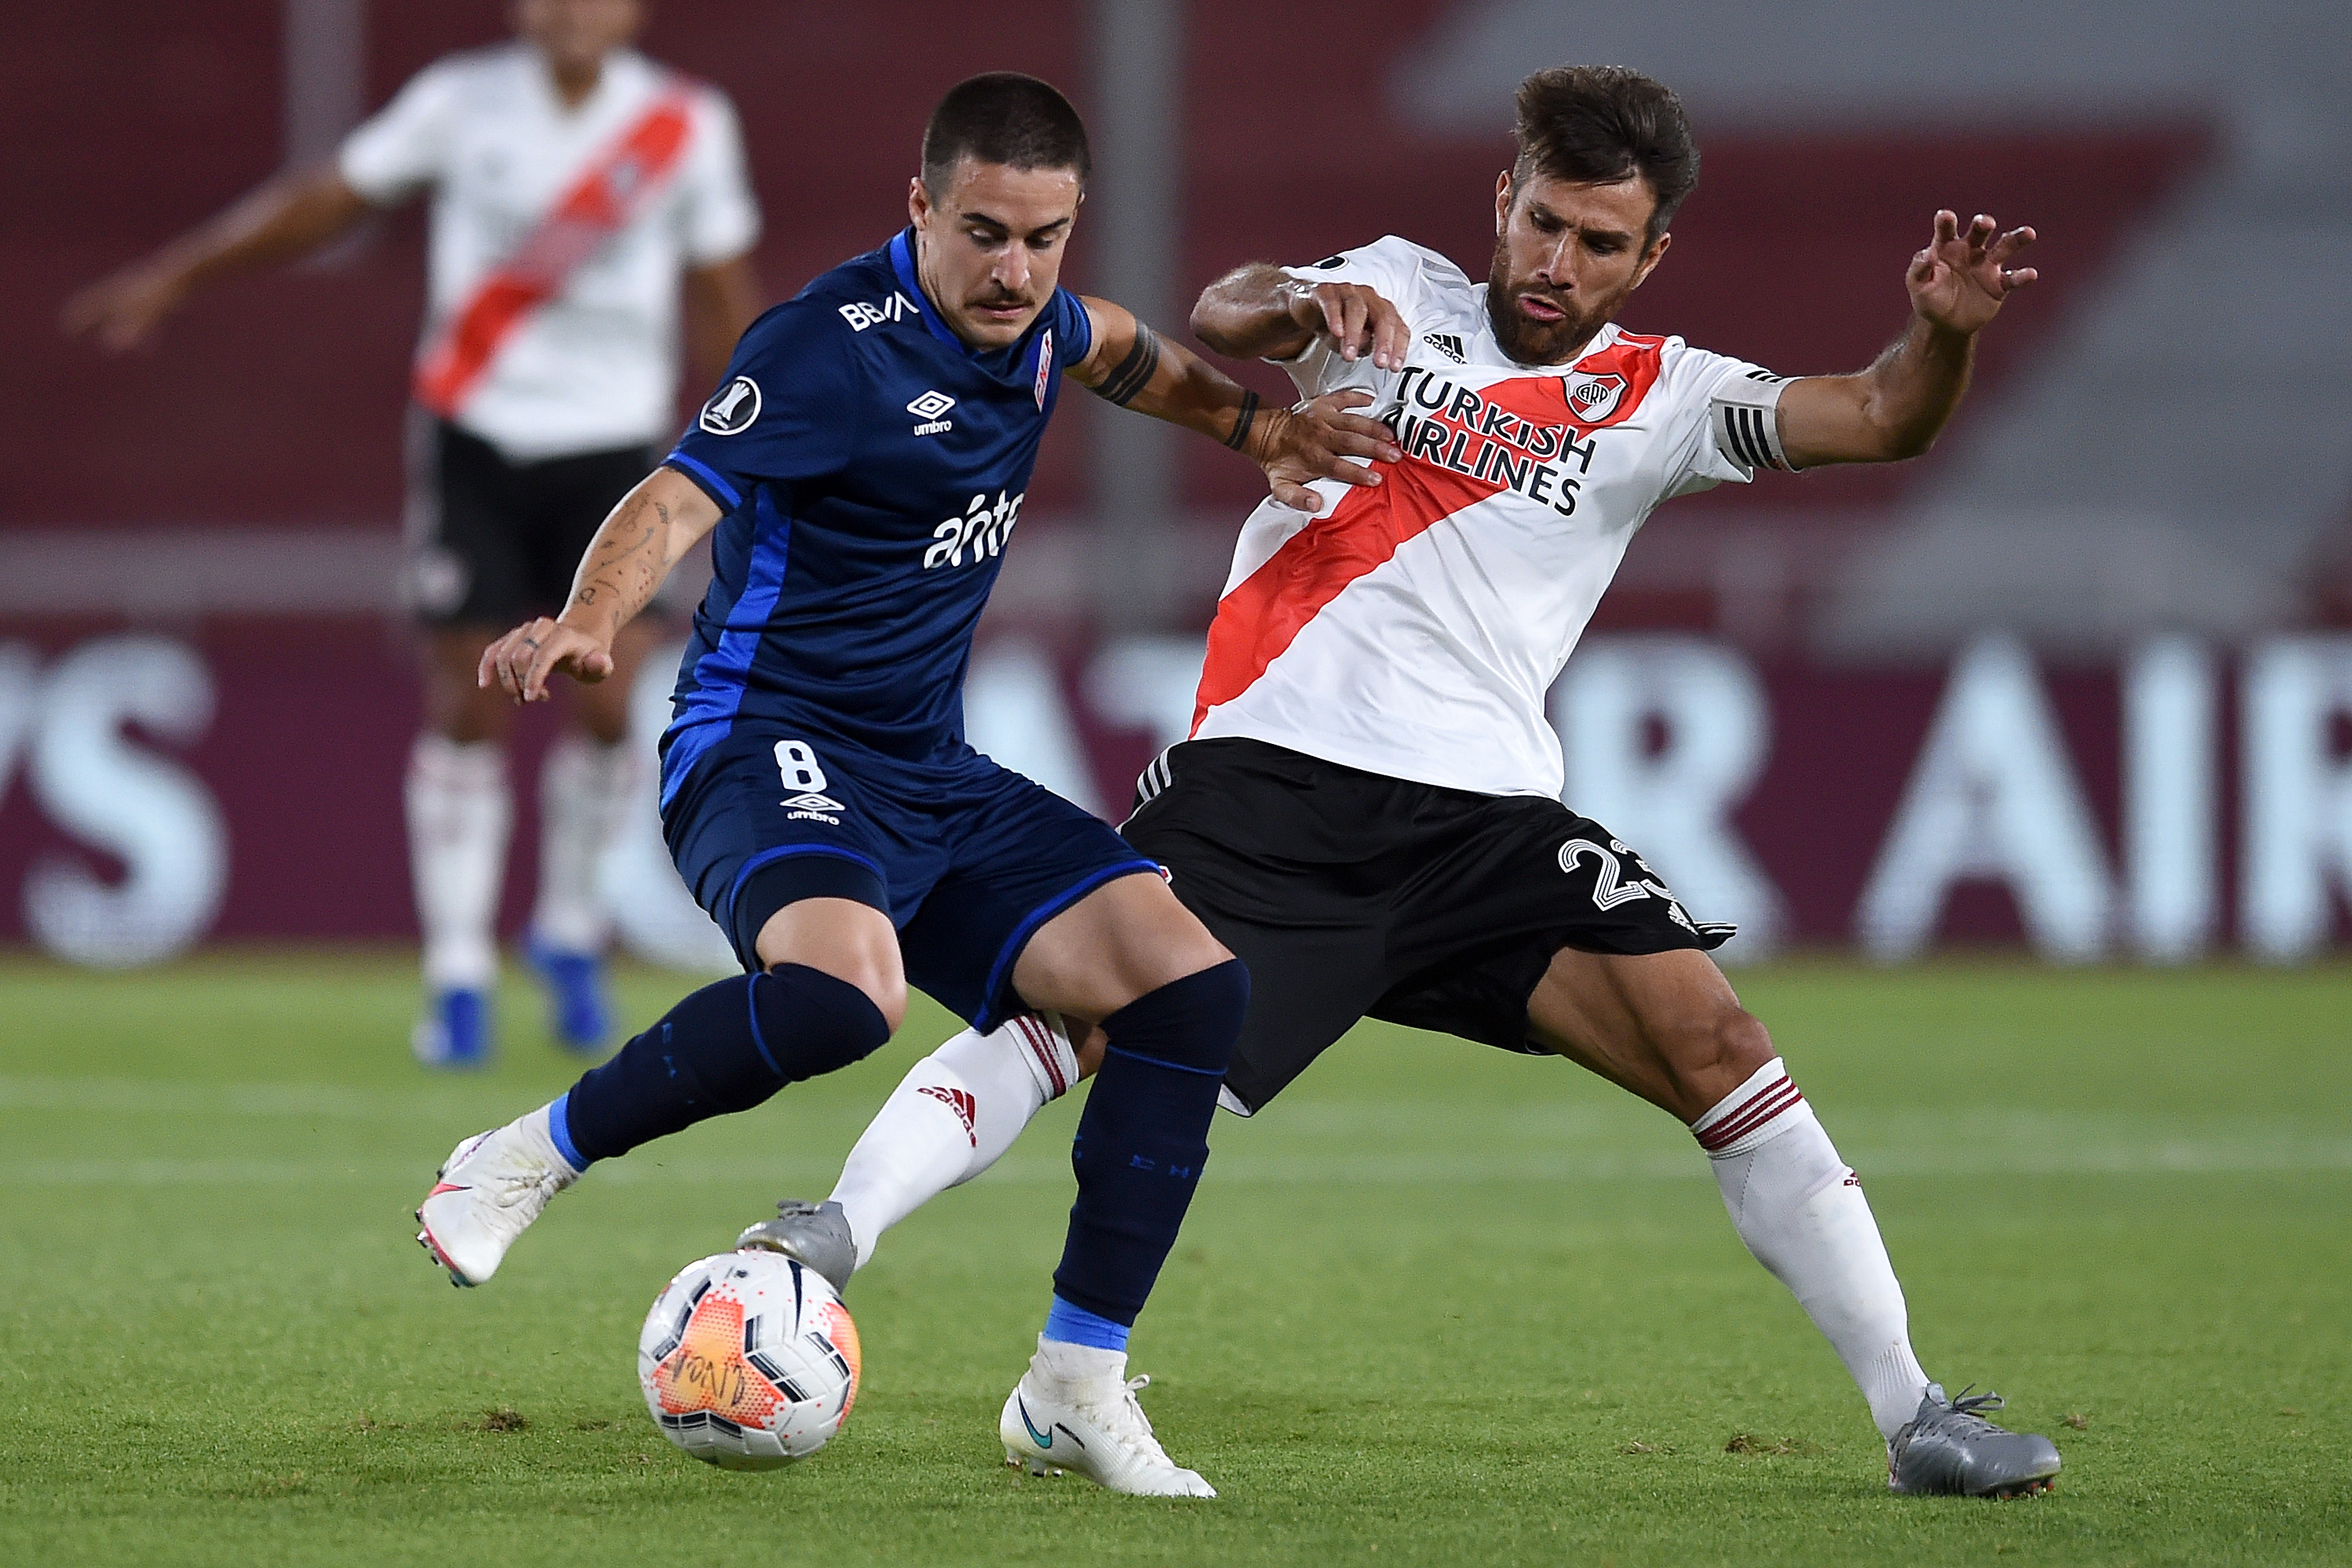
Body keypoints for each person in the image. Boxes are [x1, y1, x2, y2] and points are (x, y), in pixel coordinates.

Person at [746, 65, 2064, 1500]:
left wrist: (1939, 339)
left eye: (1602, 243)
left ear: (1652, 255)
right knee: (1084, 1021)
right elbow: (1227, 311)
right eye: (1545, 224)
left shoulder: (1668, 399)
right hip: (1278, 770)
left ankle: (1916, 1413)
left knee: (1719, 1045)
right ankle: (836, 1231)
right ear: (1503, 201)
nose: (1561, 265)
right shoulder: (1395, 288)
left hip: (1488, 823)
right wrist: (1309, 310)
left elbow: (1881, 417)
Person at [412, 72, 1396, 1498]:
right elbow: (676, 497)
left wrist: (1256, 431)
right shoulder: (828, 348)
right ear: (921, 208)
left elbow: (1121, 349)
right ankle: (521, 1156)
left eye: (1045, 238)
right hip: (764, 740)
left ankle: (1074, 1386)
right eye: (984, 233)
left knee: (1191, 987)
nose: (1016, 272)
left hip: (923, 763)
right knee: (839, 999)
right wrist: (589, 617)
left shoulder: (1043, 320)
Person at [63, 0, 764, 1064]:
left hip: (615, 446)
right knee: (464, 691)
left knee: (612, 695)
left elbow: (723, 295)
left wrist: (760, 445)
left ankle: (571, 932)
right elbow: (326, 201)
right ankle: (457, 973)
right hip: (474, 431)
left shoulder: (684, 123)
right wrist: (183, 273)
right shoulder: (459, 100)